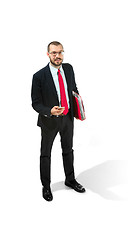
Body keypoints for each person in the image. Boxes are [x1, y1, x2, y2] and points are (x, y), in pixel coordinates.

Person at [31, 41, 85, 201]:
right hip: (49, 121)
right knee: (45, 154)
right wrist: (49, 111)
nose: (57, 56)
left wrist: (77, 109)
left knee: (68, 150)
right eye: (54, 53)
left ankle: (70, 179)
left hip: (68, 118)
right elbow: (35, 103)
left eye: (60, 52)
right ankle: (46, 187)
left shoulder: (68, 69)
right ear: (48, 54)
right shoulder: (39, 76)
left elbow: (74, 88)